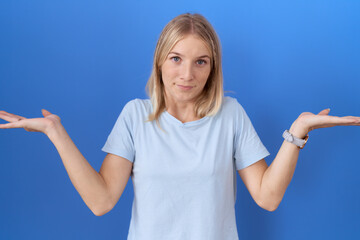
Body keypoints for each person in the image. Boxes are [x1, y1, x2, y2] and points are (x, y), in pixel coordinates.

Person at [0, 13, 359, 240]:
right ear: (159, 61)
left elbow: (267, 197)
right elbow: (101, 201)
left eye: (200, 62)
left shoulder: (231, 115)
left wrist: (298, 130)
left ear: (212, 68)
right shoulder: (135, 116)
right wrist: (55, 132)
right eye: (176, 59)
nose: (187, 74)